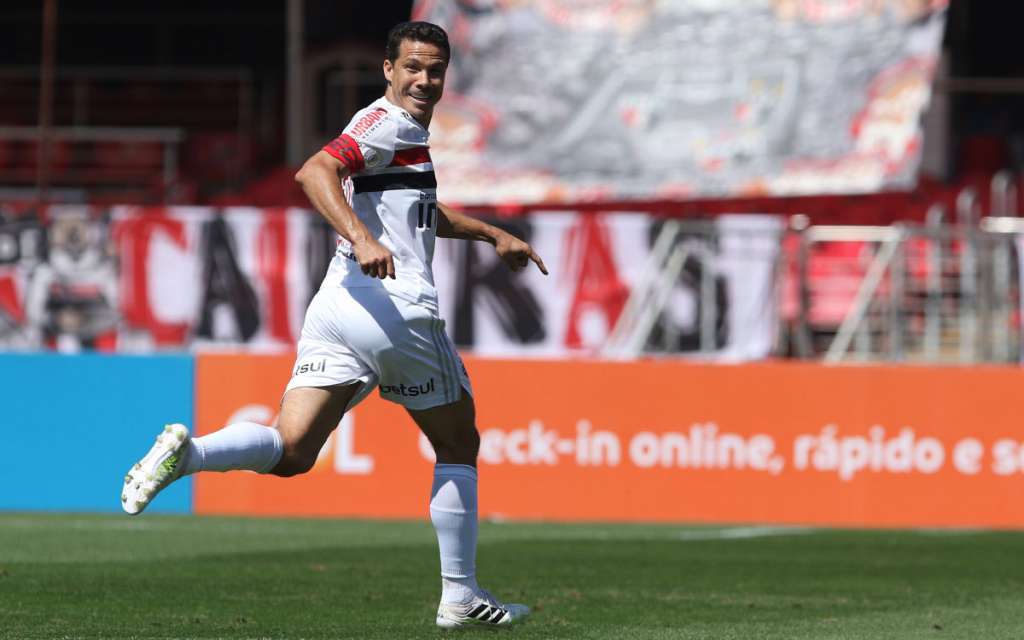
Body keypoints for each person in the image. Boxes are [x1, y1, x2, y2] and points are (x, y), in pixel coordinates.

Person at [121, 20, 546, 629]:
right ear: (388, 69)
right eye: (413, 68)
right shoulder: (385, 122)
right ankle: (461, 597)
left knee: (292, 450)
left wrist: (491, 232)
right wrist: (362, 236)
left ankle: (186, 456)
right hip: (394, 308)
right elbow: (314, 171)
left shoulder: (404, 138)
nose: (425, 80)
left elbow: (419, 212)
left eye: (435, 69)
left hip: (339, 306)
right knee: (458, 442)